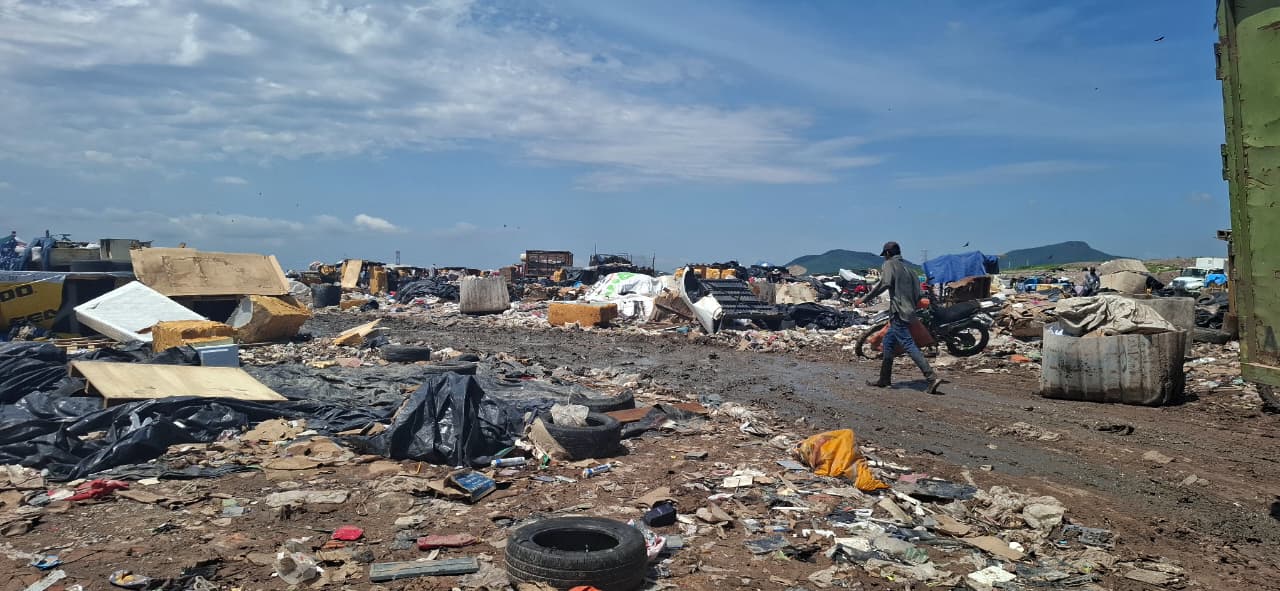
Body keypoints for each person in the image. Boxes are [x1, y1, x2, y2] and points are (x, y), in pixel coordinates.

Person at [855, 241, 944, 394]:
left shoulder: (889, 264)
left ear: (887, 253)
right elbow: (918, 296)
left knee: (908, 344)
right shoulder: (911, 271)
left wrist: (864, 299)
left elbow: (884, 283)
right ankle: (884, 379)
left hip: (898, 313)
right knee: (888, 343)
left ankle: (931, 378)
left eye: (885, 255)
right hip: (909, 312)